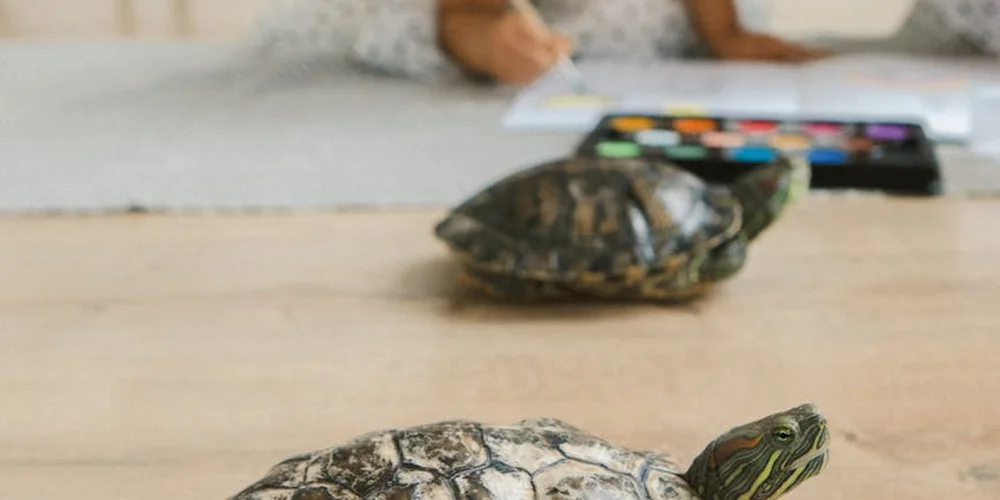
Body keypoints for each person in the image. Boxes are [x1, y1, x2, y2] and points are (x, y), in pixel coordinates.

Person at [245, 0, 1000, 85]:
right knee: (412, 28)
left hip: (659, 26)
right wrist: (480, 31)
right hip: (487, 16)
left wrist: (724, 30)